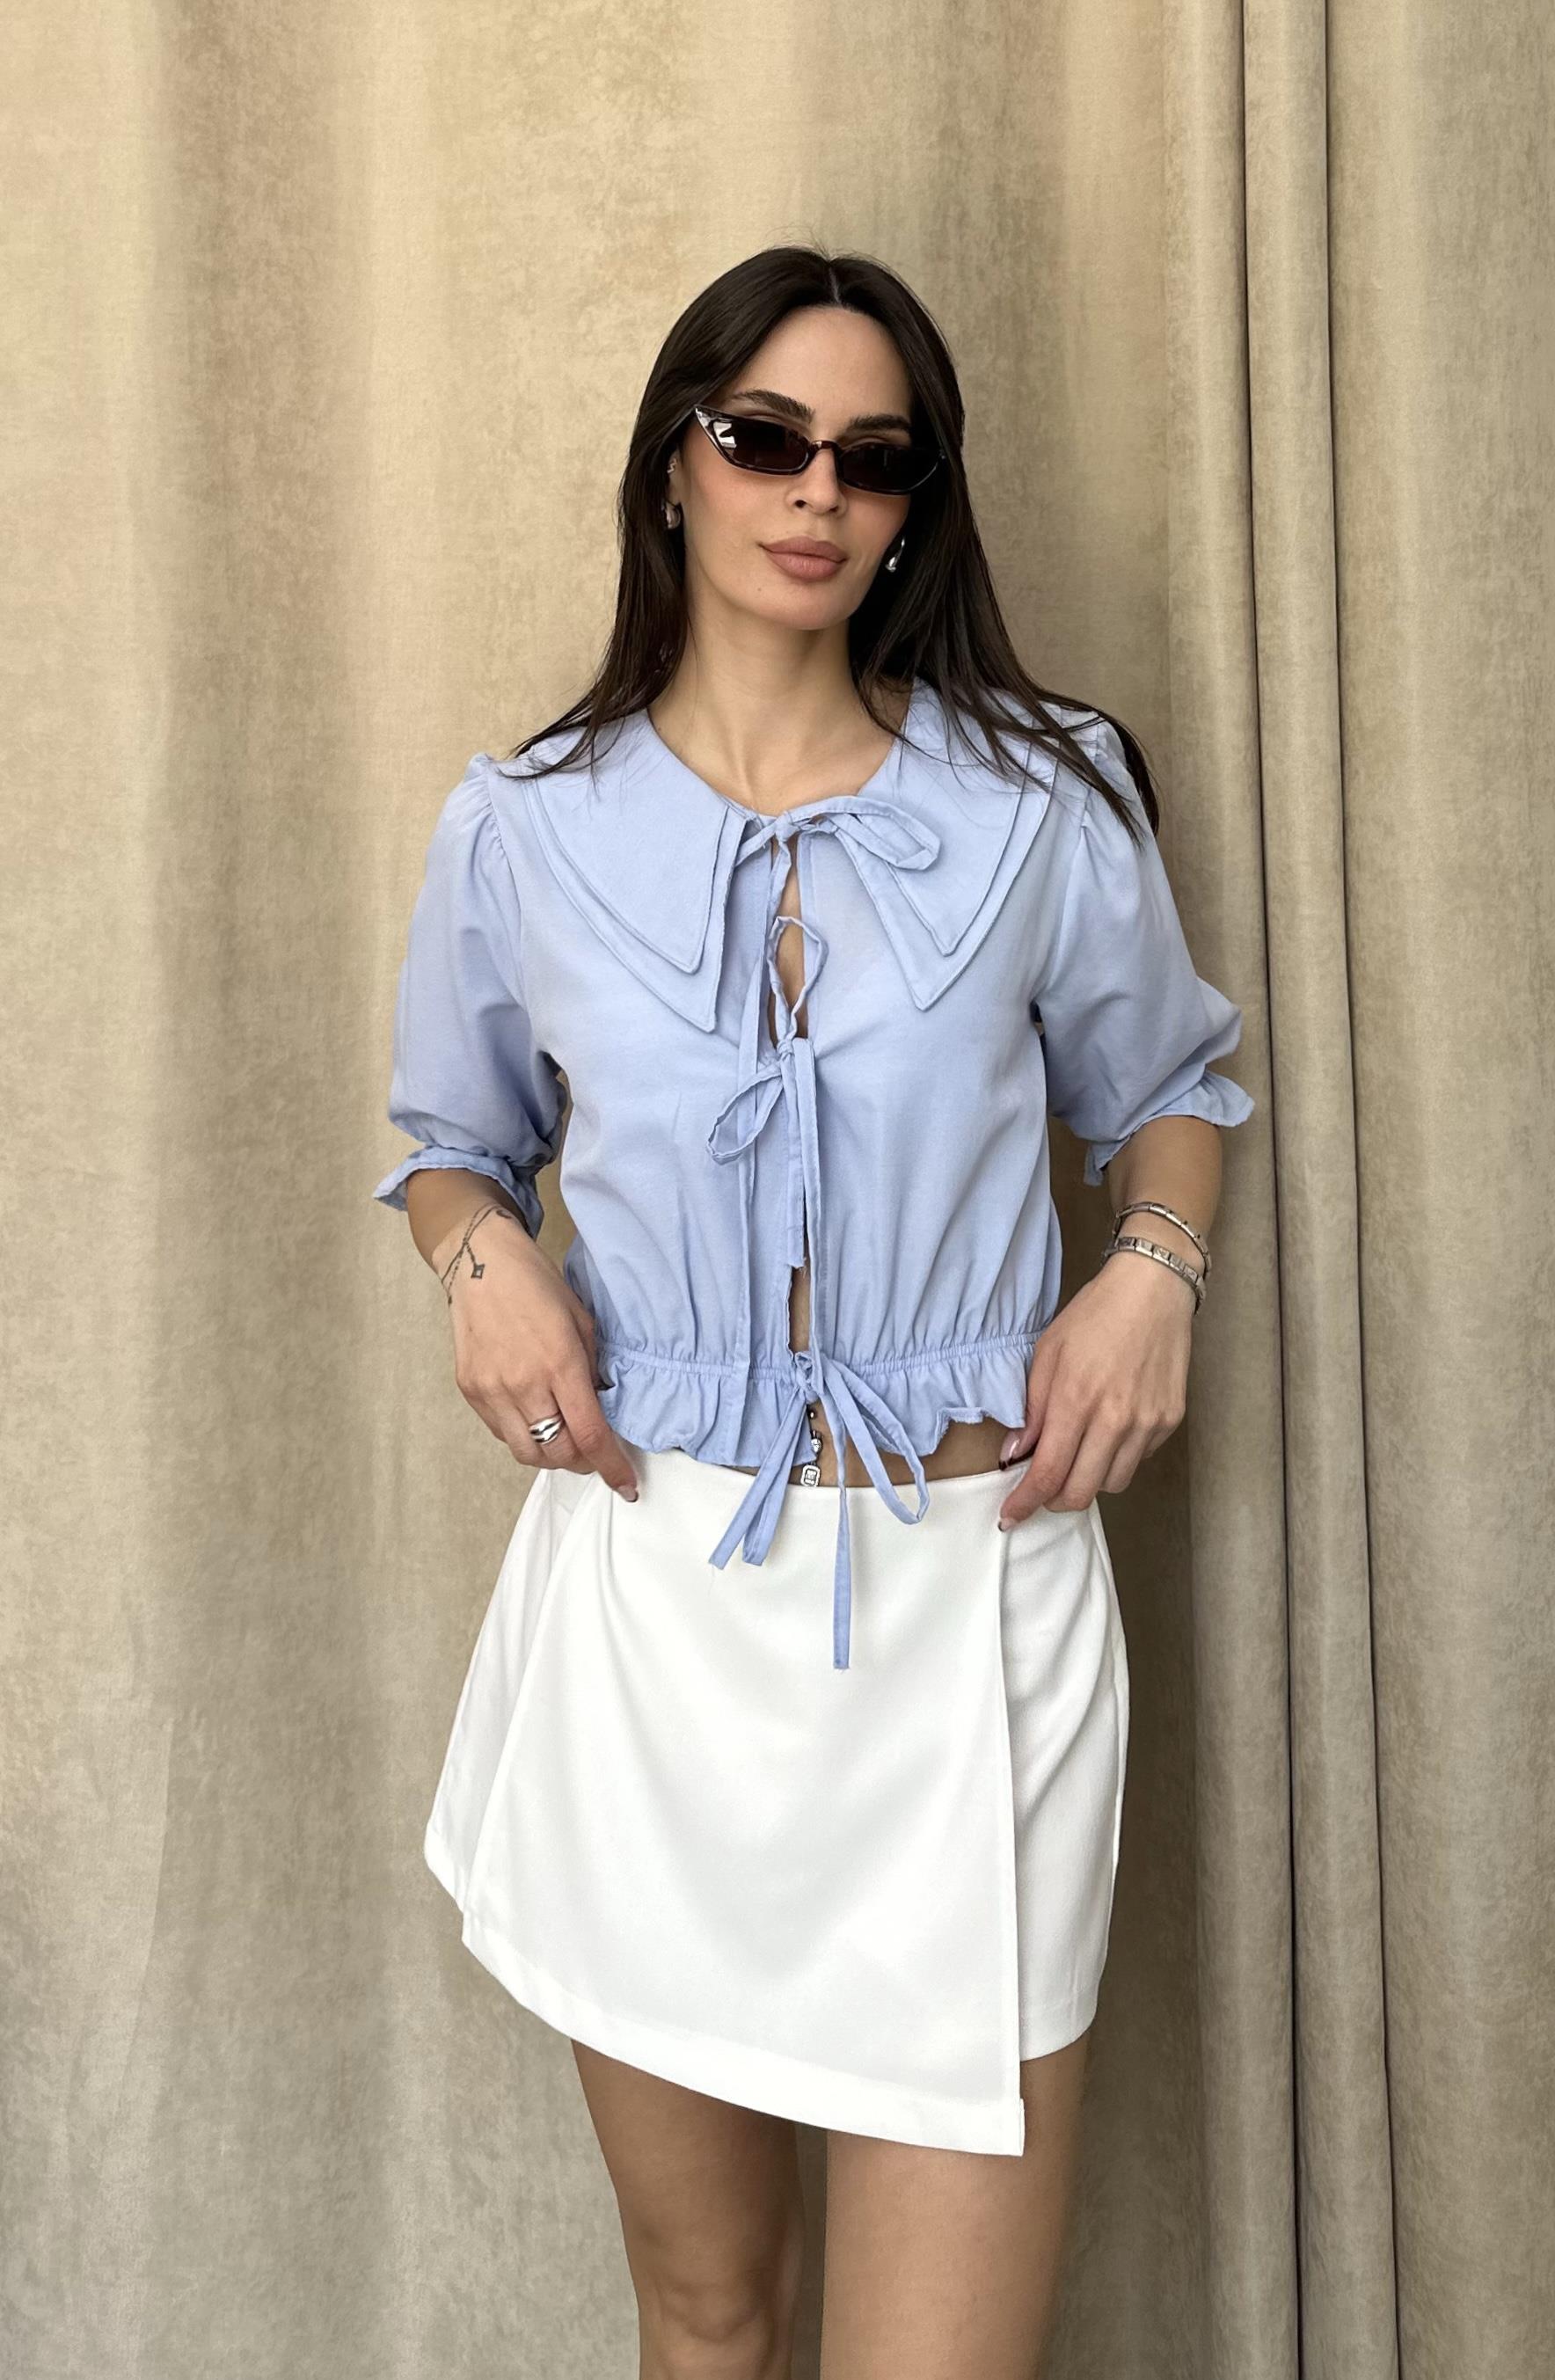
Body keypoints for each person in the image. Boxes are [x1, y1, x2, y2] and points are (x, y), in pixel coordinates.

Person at [372, 245, 1256, 2380]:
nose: (814, 493)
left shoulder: (1039, 802)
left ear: (915, 503)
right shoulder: (524, 825)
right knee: (708, 2317)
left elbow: (1167, 1089)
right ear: (673, 462)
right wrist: (483, 1268)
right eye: (763, 436)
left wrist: (1150, 1274)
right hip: (651, 1619)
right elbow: (447, 1143)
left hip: (971, 1620)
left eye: (875, 458)